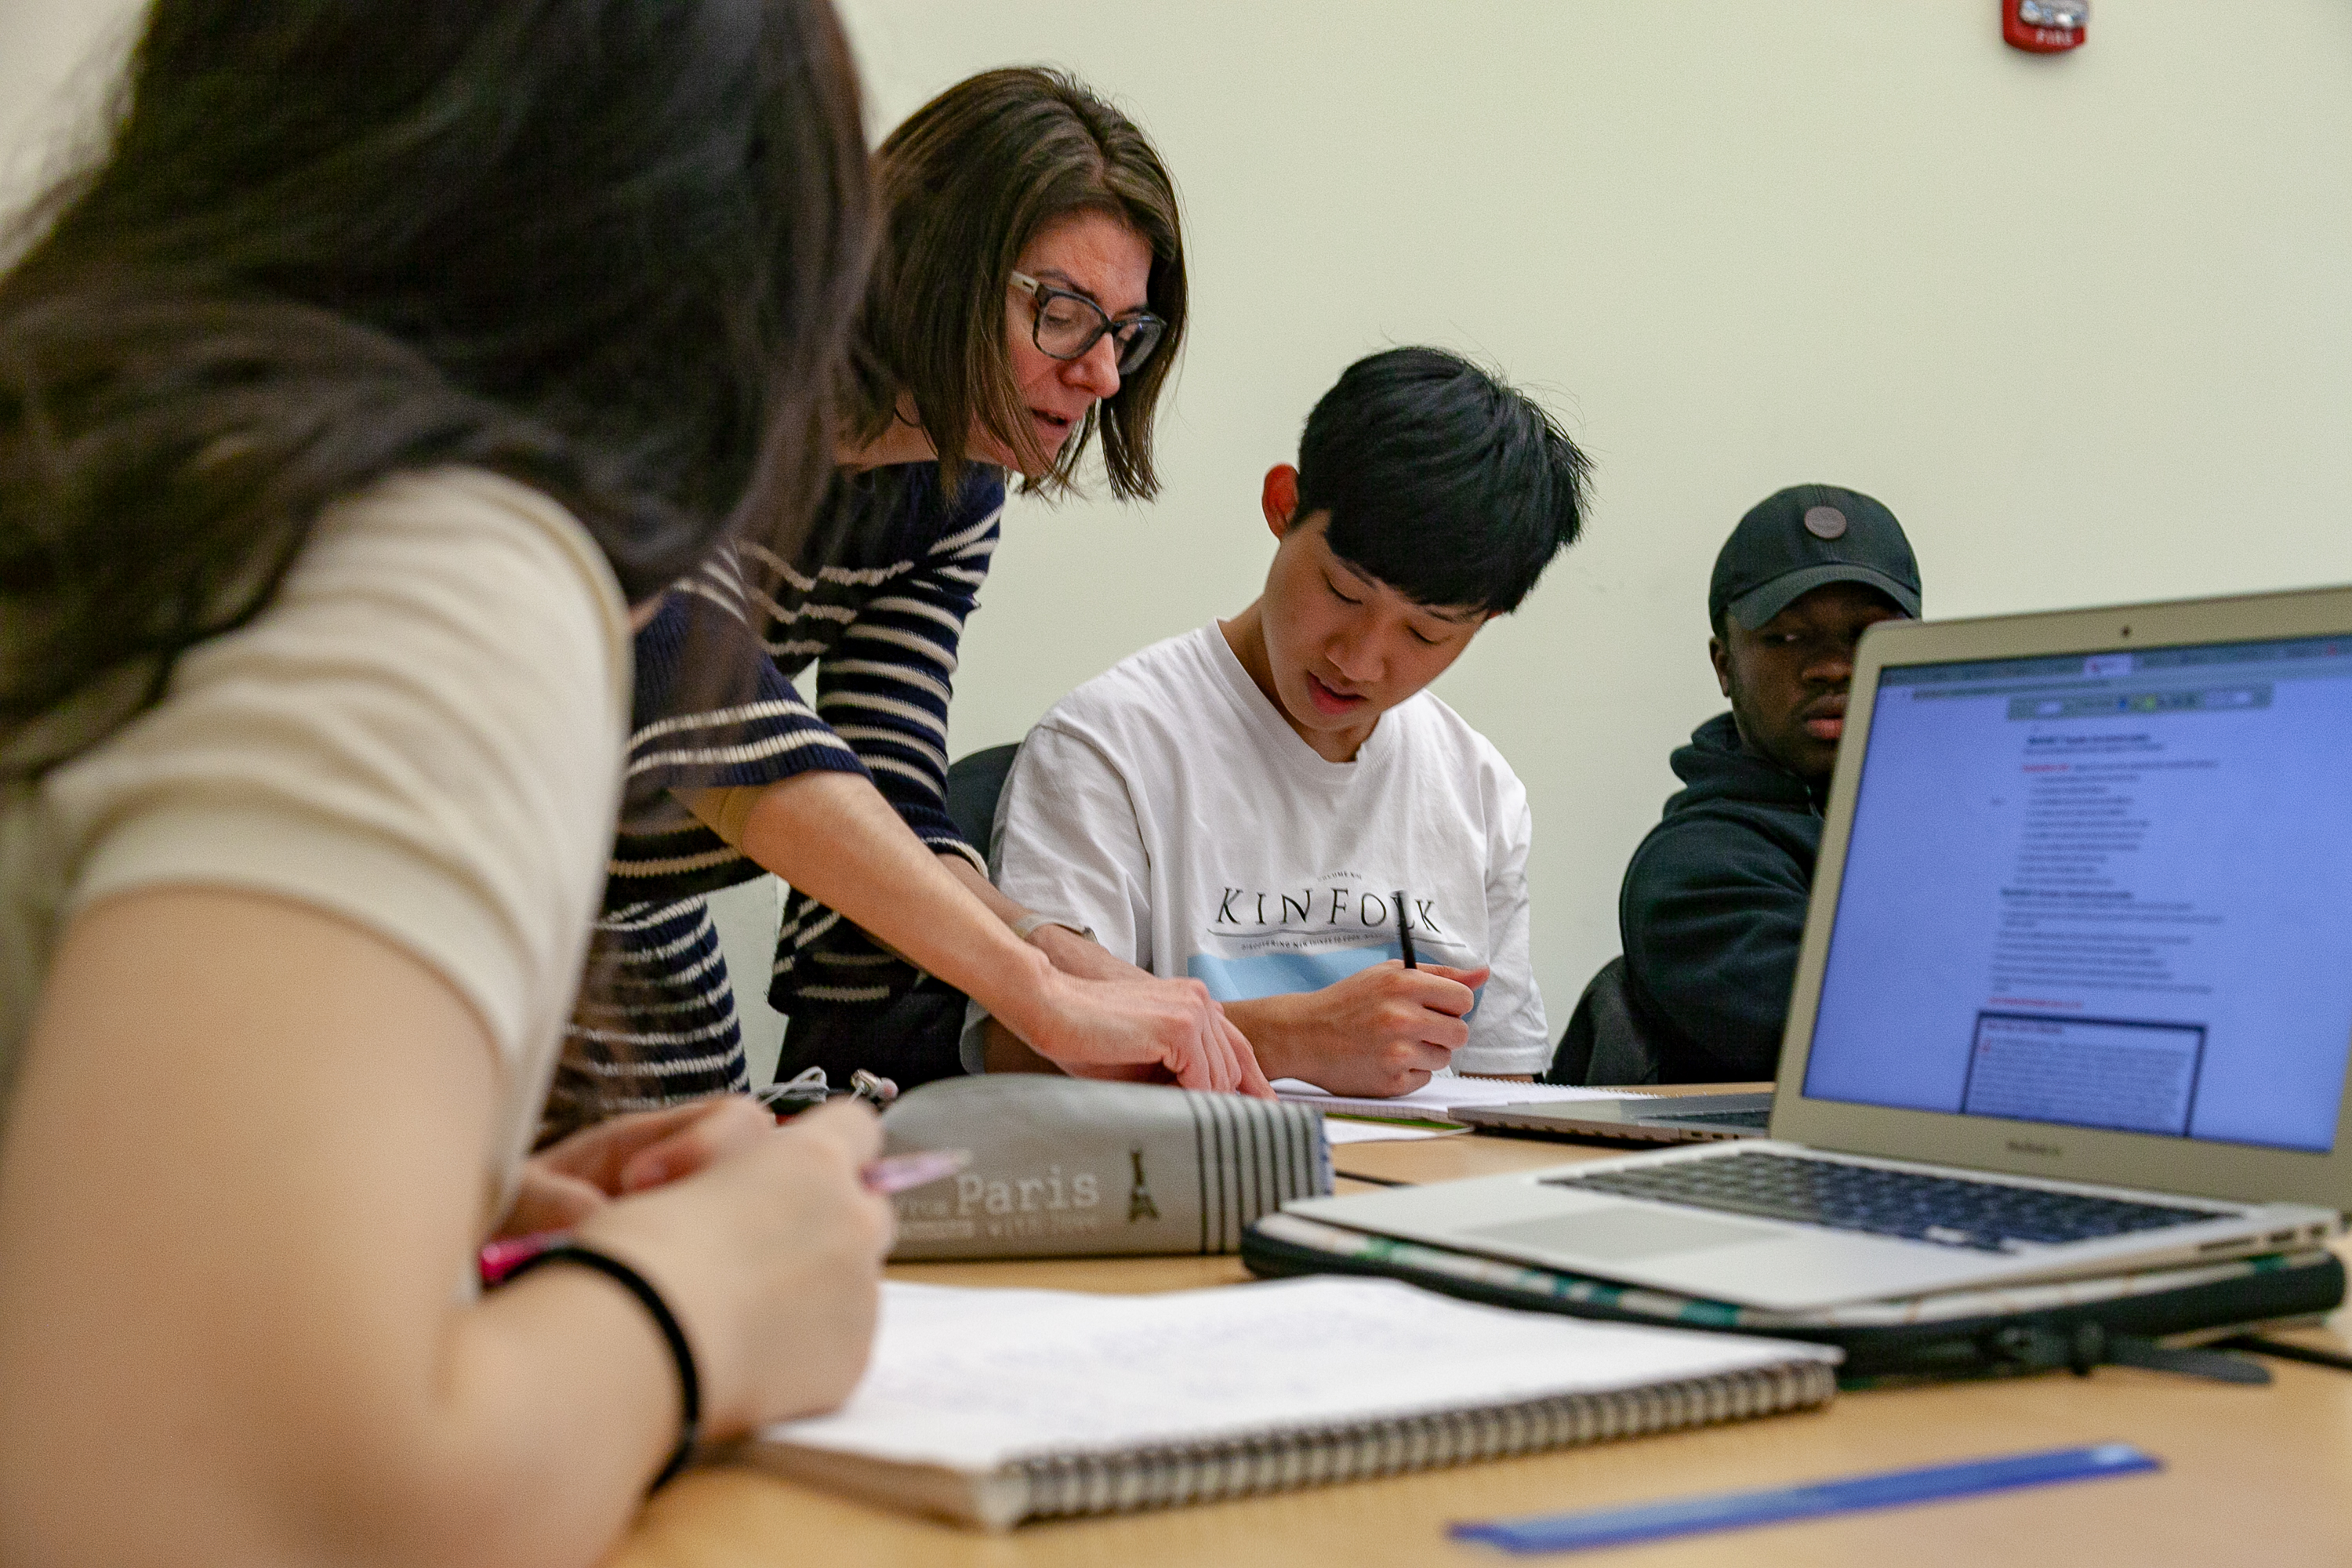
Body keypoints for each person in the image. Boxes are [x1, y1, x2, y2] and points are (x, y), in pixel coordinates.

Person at [0, 5, 896, 1565]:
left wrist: (444, 1207)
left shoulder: (106, 458)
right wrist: (700, 1305)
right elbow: (228, 1500)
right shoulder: (434, 555)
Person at [567, 66, 1265, 1120]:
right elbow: (693, 695)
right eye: (1066, 313)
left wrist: (1055, 952)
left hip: (627, 906)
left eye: (1126, 333)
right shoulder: (720, 372)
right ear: (931, 262)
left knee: (725, 1183)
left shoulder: (950, 492)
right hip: (446, 844)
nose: (1103, 377)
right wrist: (1031, 990)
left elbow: (892, 792)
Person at [981, 347, 1592, 1095]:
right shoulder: (1109, 749)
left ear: (1486, 621)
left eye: (1426, 634)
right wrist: (1295, 1039)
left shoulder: (1478, 790)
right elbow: (1024, 1054)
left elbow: (1506, 1088)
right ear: (1282, 506)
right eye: (1343, 591)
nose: (1361, 661)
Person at [1617, 483, 1922, 1081]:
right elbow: (1877, 1044)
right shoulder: (1694, 870)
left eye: (1869, 636)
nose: (1833, 666)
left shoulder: (1963, 817)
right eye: (1788, 638)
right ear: (1725, 666)